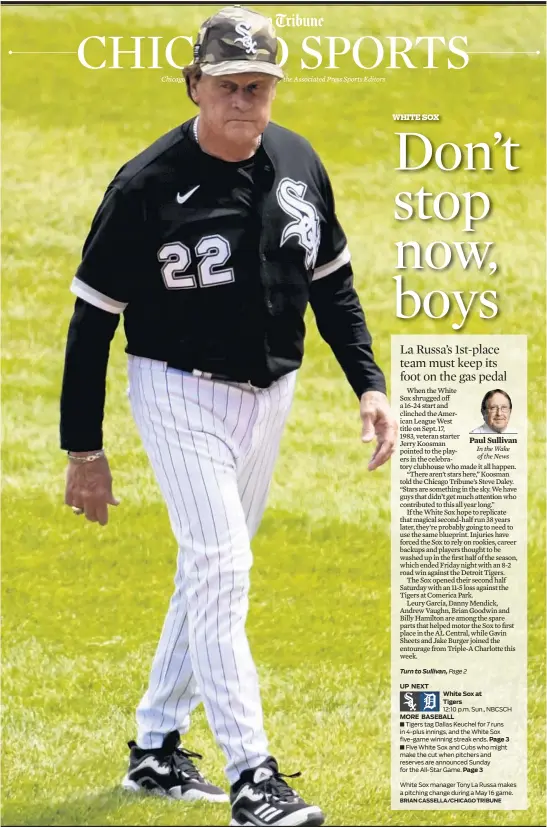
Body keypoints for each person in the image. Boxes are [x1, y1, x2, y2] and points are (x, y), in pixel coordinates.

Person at [60, 6, 398, 826]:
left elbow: (333, 284)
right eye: (228, 86)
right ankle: (254, 778)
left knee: (208, 571)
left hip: (269, 394)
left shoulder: (296, 161)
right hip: (175, 390)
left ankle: (155, 747)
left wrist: (370, 382)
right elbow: (92, 320)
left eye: (258, 86)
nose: (244, 100)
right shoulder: (144, 186)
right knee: (223, 566)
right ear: (195, 86)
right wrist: (84, 450)